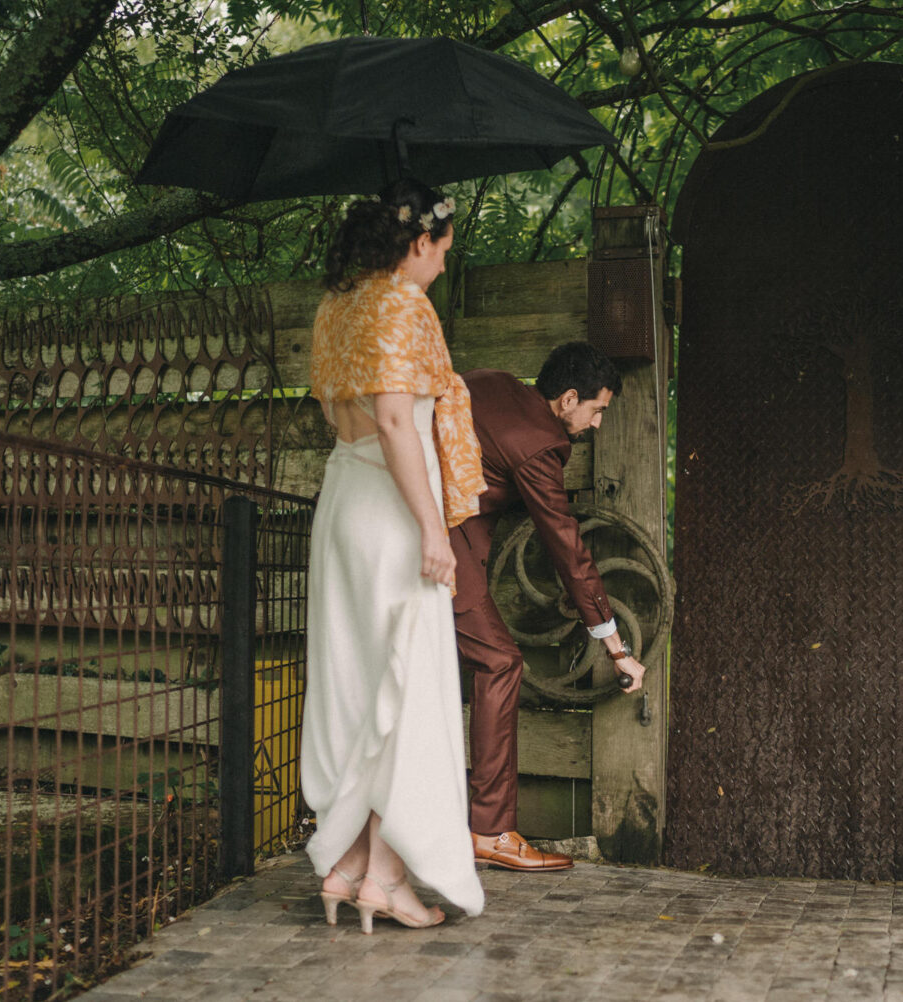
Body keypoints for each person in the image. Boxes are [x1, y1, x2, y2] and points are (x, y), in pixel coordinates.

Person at [301, 184, 486, 931]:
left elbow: (337, 413)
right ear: (419, 243)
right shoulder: (401, 303)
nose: (443, 266)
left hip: (342, 499)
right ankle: (384, 875)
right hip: (390, 508)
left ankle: (346, 864)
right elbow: (394, 421)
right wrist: (434, 530)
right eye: (443, 251)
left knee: (358, 683)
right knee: (409, 690)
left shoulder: (334, 307)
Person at [452, 342, 647, 871]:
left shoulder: (489, 377)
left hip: (396, 524)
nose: (598, 424)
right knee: (500, 662)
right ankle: (490, 830)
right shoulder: (541, 445)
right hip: (434, 547)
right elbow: (567, 548)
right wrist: (616, 648)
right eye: (598, 409)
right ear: (566, 399)